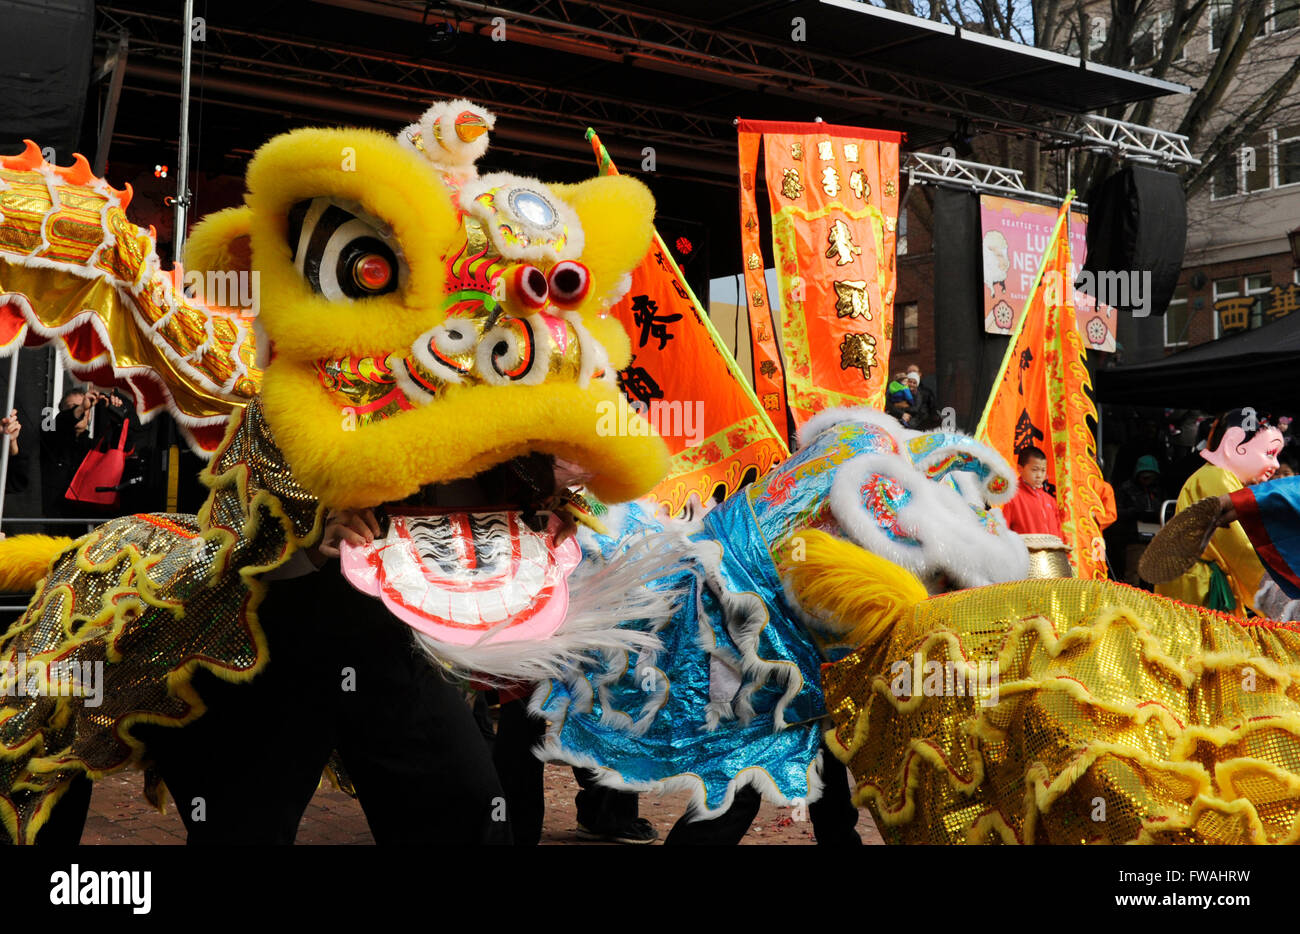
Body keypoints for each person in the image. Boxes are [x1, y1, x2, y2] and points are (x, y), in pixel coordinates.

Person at [1152, 408, 1281, 617]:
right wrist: (1282, 595)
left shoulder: (1219, 476)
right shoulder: (1217, 478)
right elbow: (1242, 547)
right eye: (1267, 453)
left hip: (1198, 579)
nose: (1274, 464)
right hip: (1197, 585)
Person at [1000, 446, 1064, 539]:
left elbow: (1059, 535)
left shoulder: (1050, 500)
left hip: (1052, 552)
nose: (1039, 475)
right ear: (1020, 469)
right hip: (1024, 552)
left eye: (1043, 470)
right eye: (1034, 470)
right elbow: (1003, 532)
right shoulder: (1012, 497)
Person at [904, 364, 938, 430]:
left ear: (919, 374)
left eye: (914, 371)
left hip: (923, 427)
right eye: (909, 372)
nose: (912, 374)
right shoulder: (900, 392)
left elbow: (933, 411)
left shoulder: (927, 392)